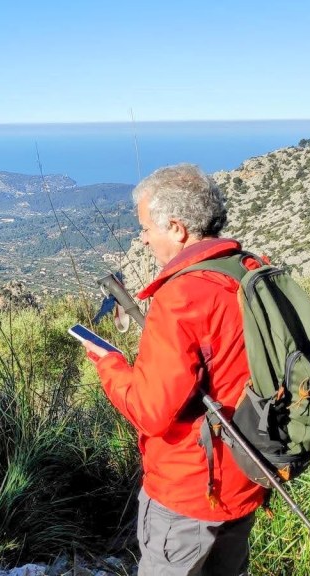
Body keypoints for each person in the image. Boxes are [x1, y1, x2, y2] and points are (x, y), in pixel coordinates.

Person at [79, 164, 267, 575]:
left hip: (191, 490)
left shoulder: (183, 296)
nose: (143, 238)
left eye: (146, 227)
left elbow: (151, 410)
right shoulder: (249, 271)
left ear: (177, 228)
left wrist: (110, 364)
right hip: (248, 473)